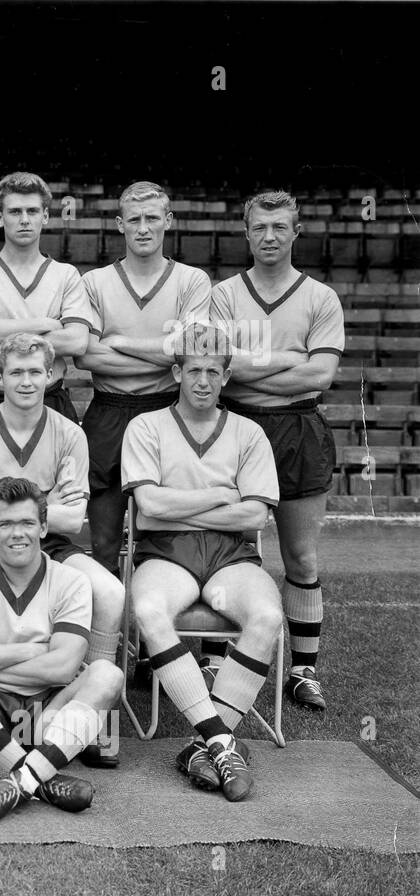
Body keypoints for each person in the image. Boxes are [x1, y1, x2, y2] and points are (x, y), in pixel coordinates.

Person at [0, 333, 125, 766]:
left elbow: (71, 519)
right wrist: (39, 504)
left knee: (110, 591)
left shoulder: (70, 433)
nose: (26, 381)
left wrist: (23, 513)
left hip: (49, 539)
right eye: (16, 372)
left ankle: (98, 719)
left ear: (51, 376)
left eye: (35, 372)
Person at [124, 337, 283, 802]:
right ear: (177, 374)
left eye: (214, 372)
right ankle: (222, 742)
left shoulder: (248, 433)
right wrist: (221, 495)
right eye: (194, 370)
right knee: (150, 610)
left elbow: (254, 516)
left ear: (227, 377)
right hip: (166, 551)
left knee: (268, 617)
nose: (203, 380)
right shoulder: (146, 426)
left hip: (229, 554)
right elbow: (148, 510)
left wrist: (178, 507)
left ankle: (202, 744)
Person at [211, 191, 345, 712]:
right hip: (236, 428)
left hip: (299, 429)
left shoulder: (320, 297)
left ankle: (303, 669)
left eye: (279, 227)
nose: (269, 236)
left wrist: (251, 367)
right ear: (246, 233)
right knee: (230, 550)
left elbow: (321, 374)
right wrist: (287, 360)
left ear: (295, 233)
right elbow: (224, 367)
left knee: (301, 555)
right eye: (260, 227)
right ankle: (218, 655)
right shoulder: (224, 294)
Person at [0, 477, 123, 823]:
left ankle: (21, 781)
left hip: (48, 715)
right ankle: (42, 778)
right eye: (6, 524)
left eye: (27, 523)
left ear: (44, 527)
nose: (18, 533)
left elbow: (62, 668)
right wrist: (33, 650)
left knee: (108, 674)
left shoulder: (71, 580)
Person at [76, 181, 211, 574]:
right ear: (120, 224)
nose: (143, 227)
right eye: (134, 219)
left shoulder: (192, 280)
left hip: (167, 412)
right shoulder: (94, 282)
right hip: (109, 412)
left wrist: (118, 342)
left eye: (152, 218)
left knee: (159, 542)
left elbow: (190, 350)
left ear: (168, 221)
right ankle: (108, 634)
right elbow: (85, 357)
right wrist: (164, 352)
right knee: (102, 541)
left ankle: (149, 631)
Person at [0, 171, 94, 421]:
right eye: (15, 212)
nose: (25, 219)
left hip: (51, 402)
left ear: (46, 216)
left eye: (32, 211)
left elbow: (76, 342)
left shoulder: (66, 275)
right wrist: (45, 324)